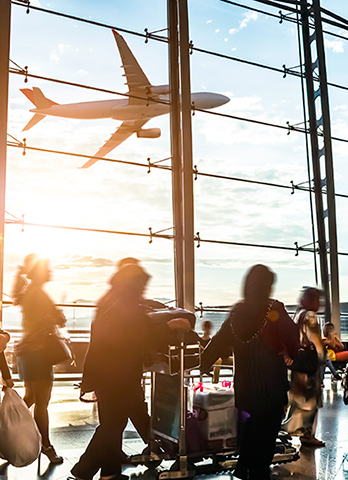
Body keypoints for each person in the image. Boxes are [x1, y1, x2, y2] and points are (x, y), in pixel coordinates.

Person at [71, 262, 191, 480]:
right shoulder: (122, 302)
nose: (143, 291)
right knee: (113, 424)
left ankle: (107, 472)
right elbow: (136, 331)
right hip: (116, 375)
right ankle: (86, 470)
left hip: (110, 374)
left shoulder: (112, 298)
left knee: (113, 423)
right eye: (141, 286)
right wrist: (169, 327)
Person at [201, 264, 299, 480]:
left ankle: (243, 467)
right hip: (271, 387)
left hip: (247, 388)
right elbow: (294, 338)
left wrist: (204, 364)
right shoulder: (274, 309)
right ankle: (255, 473)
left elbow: (216, 344)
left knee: (253, 428)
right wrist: (290, 353)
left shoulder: (237, 313)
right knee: (264, 442)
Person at [12, 253, 66, 463]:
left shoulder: (29, 292)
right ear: (40, 272)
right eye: (48, 267)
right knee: (42, 401)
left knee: (32, 397)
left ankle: (7, 430)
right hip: (38, 353)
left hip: (28, 353)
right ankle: (46, 446)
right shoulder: (40, 294)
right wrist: (57, 316)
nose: (51, 271)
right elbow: (54, 321)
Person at [283, 287, 326, 448]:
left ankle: (288, 432)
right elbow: (316, 343)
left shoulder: (298, 314)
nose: (319, 303)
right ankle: (307, 435)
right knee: (311, 402)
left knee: (297, 403)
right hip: (308, 367)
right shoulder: (310, 316)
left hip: (298, 366)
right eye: (317, 299)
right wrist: (323, 356)